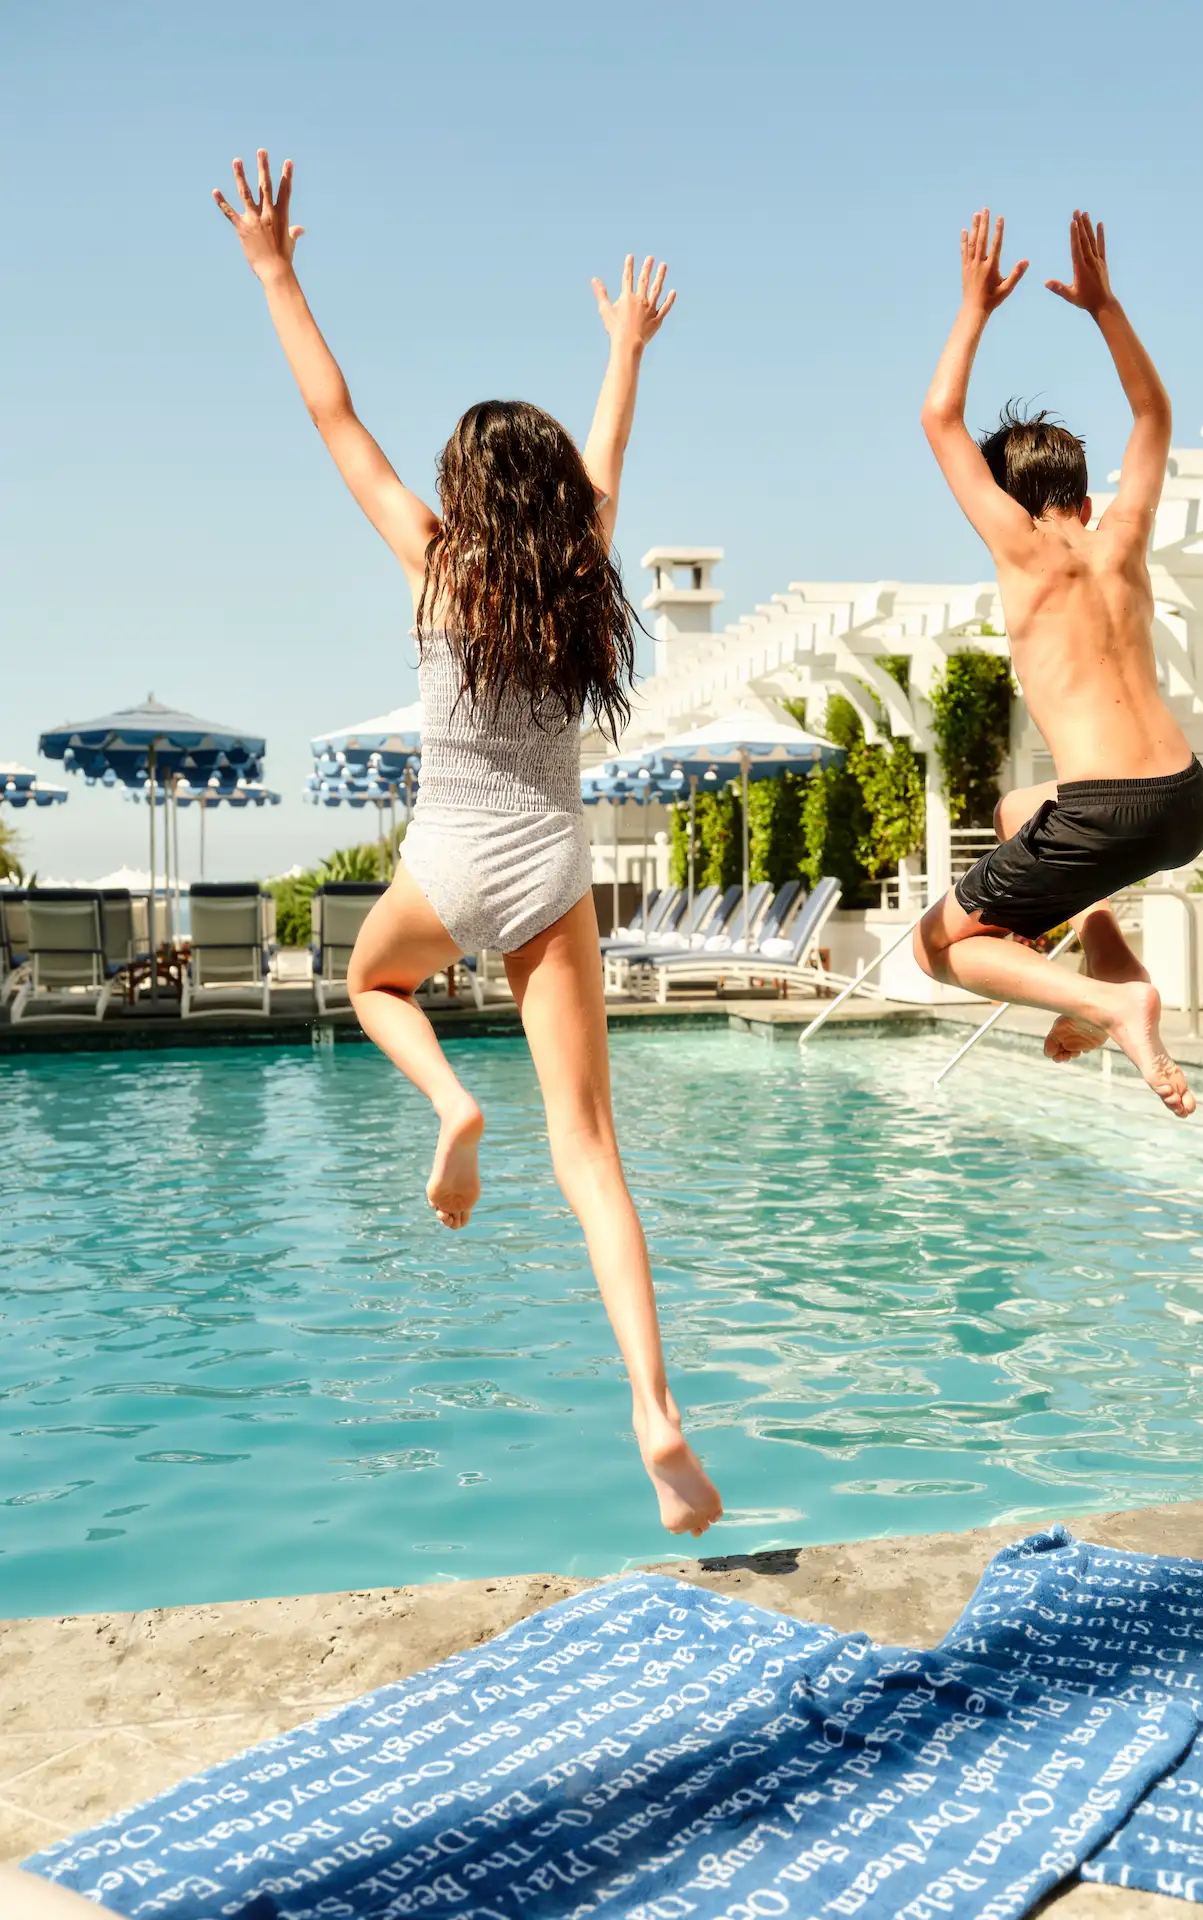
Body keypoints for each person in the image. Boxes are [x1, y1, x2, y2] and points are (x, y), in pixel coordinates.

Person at [214, 151, 721, 1537]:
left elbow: (336, 417)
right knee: (593, 1154)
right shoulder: (586, 578)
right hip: (555, 873)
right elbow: (610, 459)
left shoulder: (439, 567)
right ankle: (655, 1411)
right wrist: (625, 350)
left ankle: (446, 1102)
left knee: (372, 987)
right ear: (555, 496)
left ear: (466, 492)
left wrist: (274, 268)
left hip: (448, 858)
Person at [914, 209, 1203, 1118]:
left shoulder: (1019, 545)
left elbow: (940, 418)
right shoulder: (1124, 532)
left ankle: (1109, 1000)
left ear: (1010, 501)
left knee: (937, 949)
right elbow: (1154, 413)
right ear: (1084, 494)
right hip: (1183, 801)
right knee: (1014, 808)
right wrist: (1104, 306)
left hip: (1108, 811)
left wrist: (974, 306)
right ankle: (1103, 952)